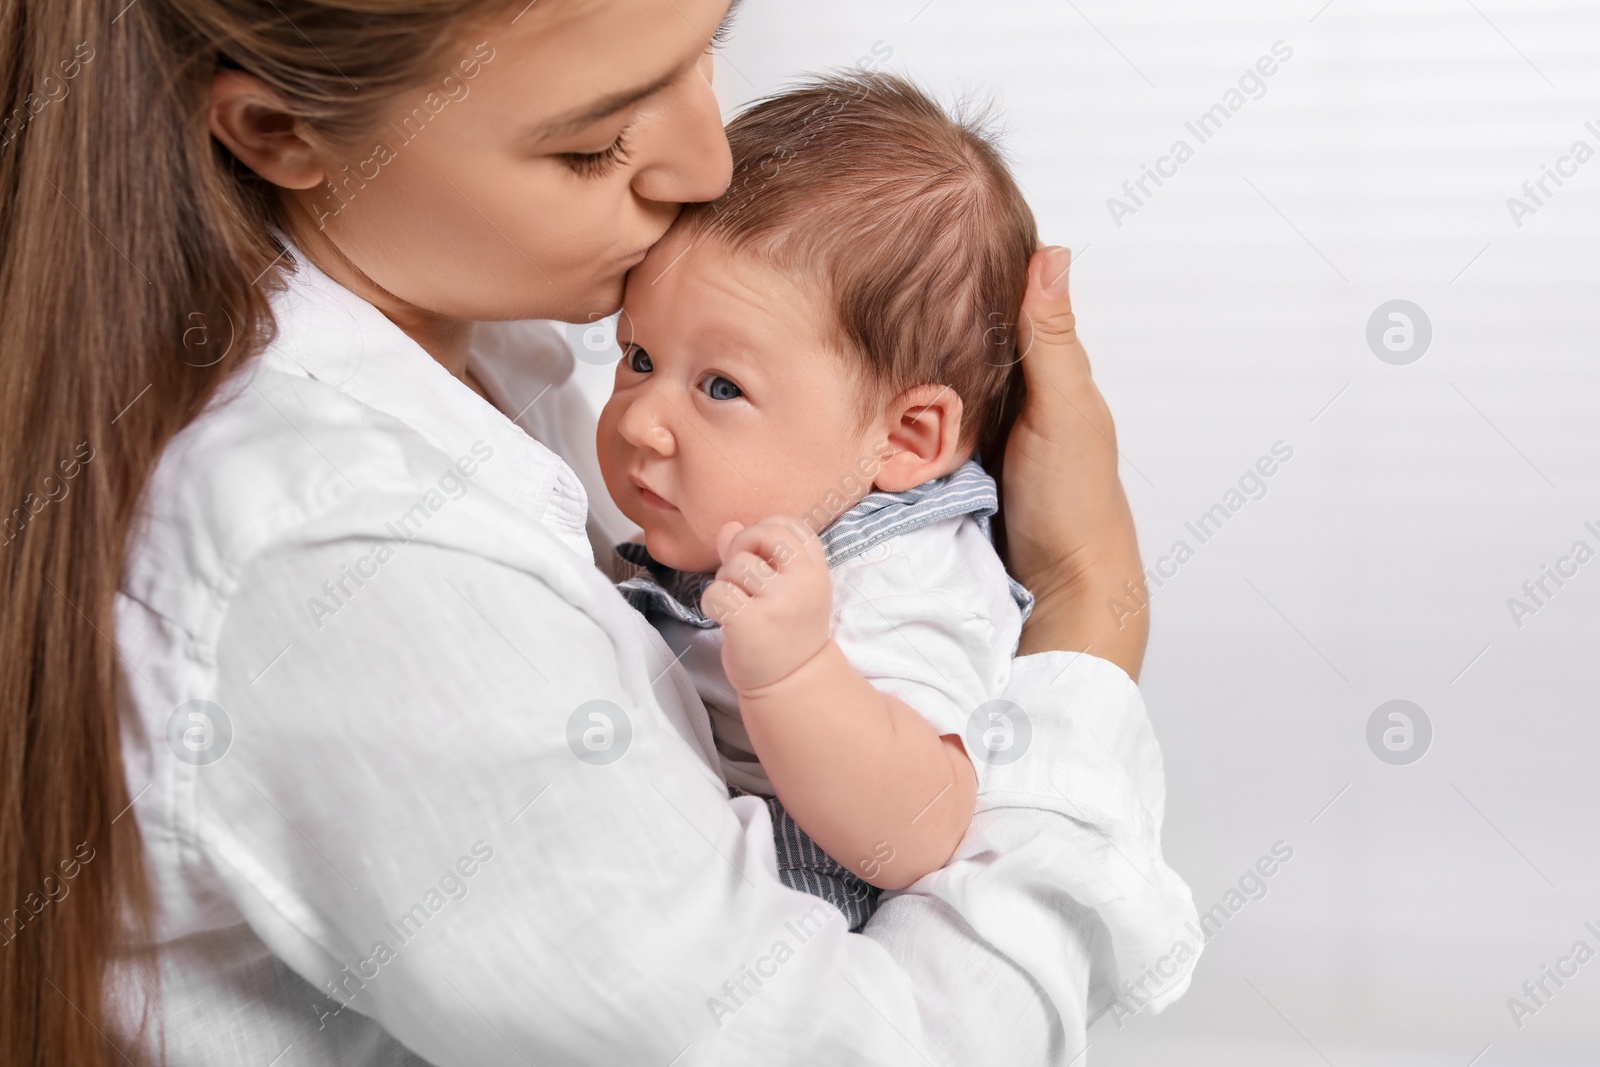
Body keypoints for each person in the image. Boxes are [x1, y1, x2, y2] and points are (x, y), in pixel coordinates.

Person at [0, 1, 1194, 1064]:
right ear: (280, 132)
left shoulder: (500, 360)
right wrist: (1089, 605)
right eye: (593, 141)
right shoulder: (349, 547)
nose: (706, 162)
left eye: (707, 47)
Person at [603, 72, 1046, 931]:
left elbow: (921, 829)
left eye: (721, 386)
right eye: (639, 357)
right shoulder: (750, 502)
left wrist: (797, 674)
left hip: (808, 938)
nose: (641, 423)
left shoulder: (899, 572)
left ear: (905, 439)